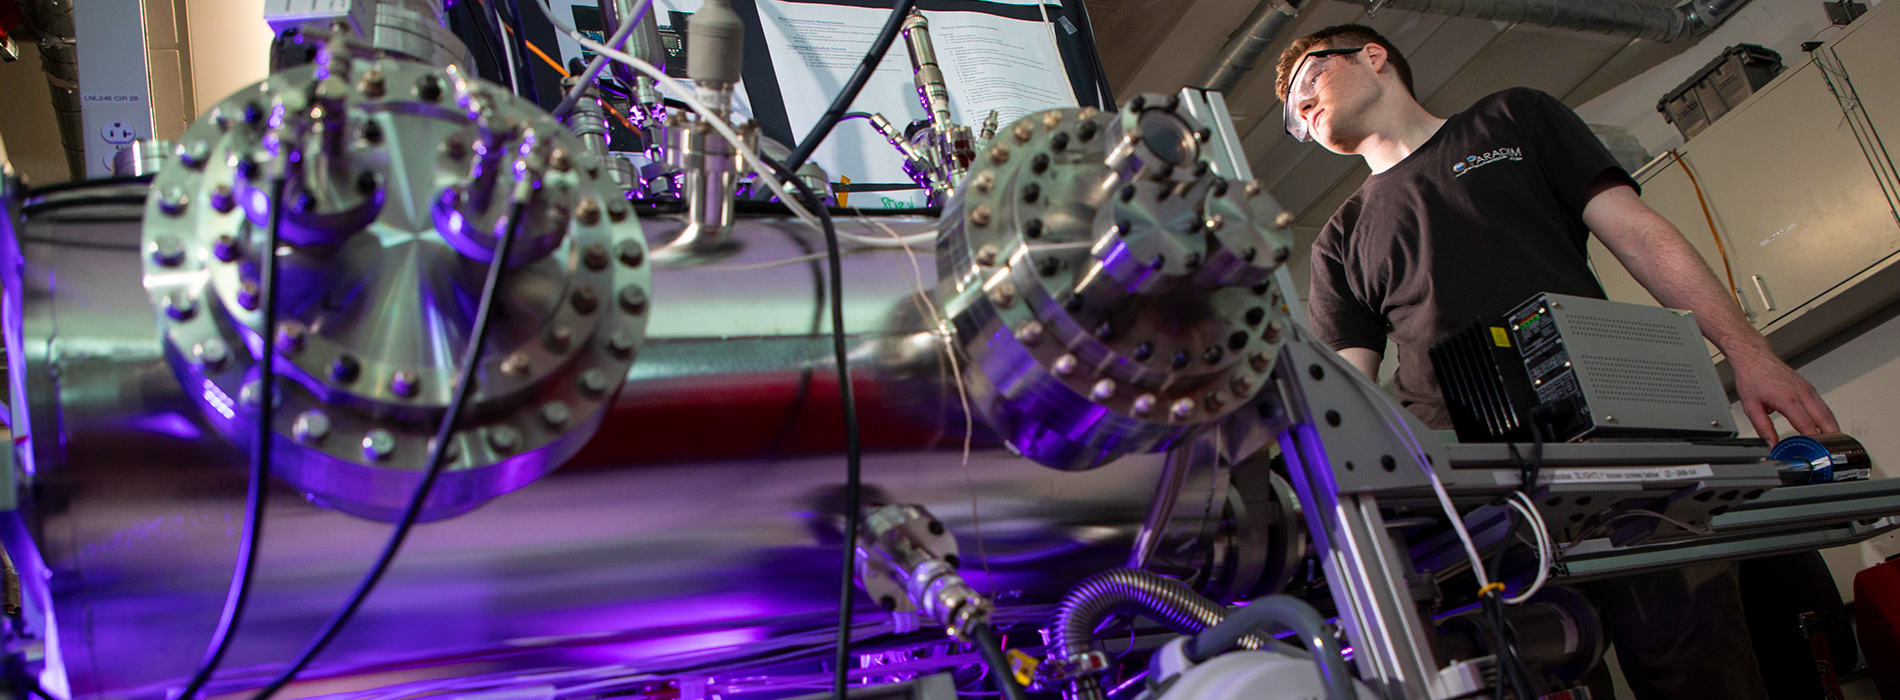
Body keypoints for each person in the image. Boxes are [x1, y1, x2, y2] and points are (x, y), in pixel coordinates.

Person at [1275, 24, 1840, 700]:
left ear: (1373, 57)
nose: (1301, 106)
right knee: (1548, 675)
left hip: (1625, 456)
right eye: (1292, 112)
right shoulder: (1340, 237)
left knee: (1700, 669)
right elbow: (1344, 393)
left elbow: (1639, 235)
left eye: (1309, 80)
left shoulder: (1512, 118)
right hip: (1481, 499)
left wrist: (1751, 355)